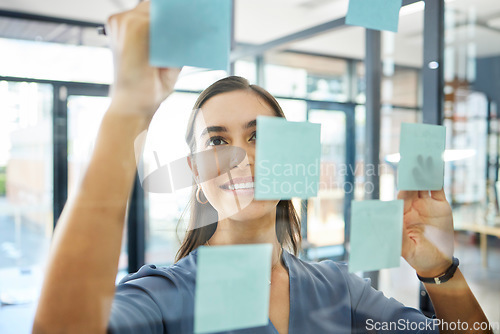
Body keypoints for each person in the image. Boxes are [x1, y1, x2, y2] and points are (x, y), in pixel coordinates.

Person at [32, 2, 492, 334]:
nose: (242, 156)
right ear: (195, 172)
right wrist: (127, 111)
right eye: (217, 141)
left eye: (259, 137)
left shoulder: (337, 289)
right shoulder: (165, 295)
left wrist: (440, 272)